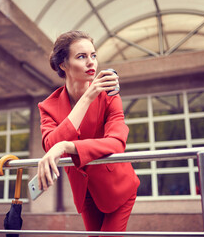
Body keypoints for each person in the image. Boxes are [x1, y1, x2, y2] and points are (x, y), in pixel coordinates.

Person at [37, 30, 140, 236]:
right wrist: (86, 99)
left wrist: (66, 146)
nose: (91, 62)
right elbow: (50, 145)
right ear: (63, 65)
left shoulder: (109, 95)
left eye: (93, 55)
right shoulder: (48, 106)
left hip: (118, 187)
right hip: (84, 192)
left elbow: (117, 142)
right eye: (81, 56)